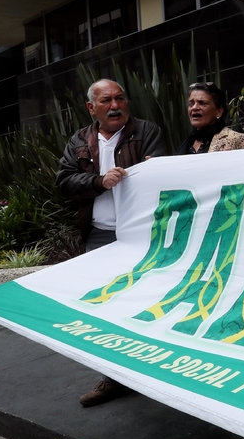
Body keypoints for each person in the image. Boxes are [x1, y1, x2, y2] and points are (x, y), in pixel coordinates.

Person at [56, 78, 166, 407]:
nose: (115, 105)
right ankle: (114, 378)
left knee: (148, 300)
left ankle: (156, 372)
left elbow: (162, 172)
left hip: (142, 234)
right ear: (92, 108)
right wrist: (98, 181)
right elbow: (63, 181)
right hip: (101, 237)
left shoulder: (147, 132)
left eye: (120, 98)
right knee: (106, 309)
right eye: (106, 100)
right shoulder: (80, 140)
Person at [175, 82, 244, 154]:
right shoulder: (186, 144)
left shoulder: (236, 139)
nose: (194, 107)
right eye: (191, 104)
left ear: (219, 111)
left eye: (202, 103)